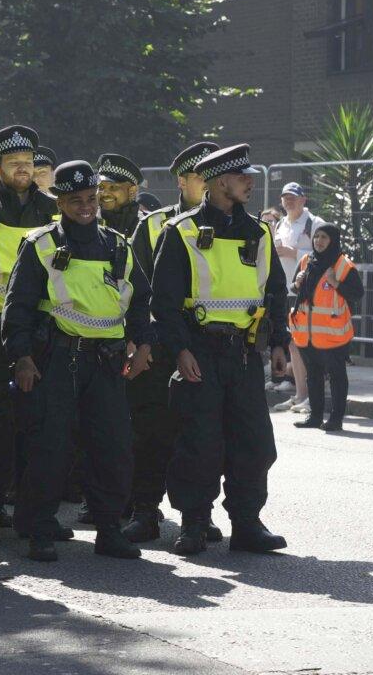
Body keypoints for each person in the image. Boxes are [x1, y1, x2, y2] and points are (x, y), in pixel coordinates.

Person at [3, 160, 152, 562]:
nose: (86, 207)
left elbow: (139, 302)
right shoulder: (42, 245)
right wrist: (21, 357)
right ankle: (39, 529)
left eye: (90, 199)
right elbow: (16, 307)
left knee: (112, 447)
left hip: (105, 363)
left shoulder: (117, 245)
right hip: (57, 361)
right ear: (60, 201)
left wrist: (144, 344)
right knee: (49, 448)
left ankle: (108, 529)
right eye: (75, 201)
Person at [152, 143, 290, 555]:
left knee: (254, 442)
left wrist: (280, 340)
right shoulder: (182, 233)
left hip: (244, 354)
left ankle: (247, 524)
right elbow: (163, 302)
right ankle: (194, 523)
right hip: (199, 352)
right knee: (200, 440)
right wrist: (179, 350)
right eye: (242, 177)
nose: (250, 183)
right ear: (219, 183)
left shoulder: (259, 232)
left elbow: (275, 293)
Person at [124, 141, 223, 544]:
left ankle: (199, 515)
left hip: (205, 347)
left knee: (203, 436)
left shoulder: (232, 225)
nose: (210, 185)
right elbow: (136, 286)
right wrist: (143, 343)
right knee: (152, 432)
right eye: (203, 177)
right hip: (163, 346)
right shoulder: (153, 225)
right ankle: (145, 510)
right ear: (183, 181)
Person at [0, 125, 58, 546]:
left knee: (43, 428)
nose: (24, 169)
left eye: (29, 162)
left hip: (44, 332)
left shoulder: (55, 209)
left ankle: (37, 514)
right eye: (14, 163)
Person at [290, 224, 363, 432]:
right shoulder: (306, 261)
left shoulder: (343, 265)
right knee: (313, 376)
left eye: (324, 238)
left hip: (333, 335)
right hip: (308, 334)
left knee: (337, 377)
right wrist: (296, 284)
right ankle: (314, 416)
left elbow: (358, 293)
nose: (319, 241)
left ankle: (336, 419)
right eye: (316, 237)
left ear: (333, 240)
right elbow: (296, 290)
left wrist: (336, 283)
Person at [272, 182, 325, 413]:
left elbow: (325, 253)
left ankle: (313, 397)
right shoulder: (281, 224)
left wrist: (295, 253)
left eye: (293, 197)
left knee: (309, 346)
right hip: (285, 291)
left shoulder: (315, 223)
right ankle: (300, 394)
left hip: (306, 292)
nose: (288, 201)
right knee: (293, 344)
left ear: (304, 200)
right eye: (285, 197)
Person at [95, 154, 141, 236]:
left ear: (132, 191)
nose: (104, 193)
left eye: (113, 187)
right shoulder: (89, 222)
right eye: (101, 187)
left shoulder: (144, 224)